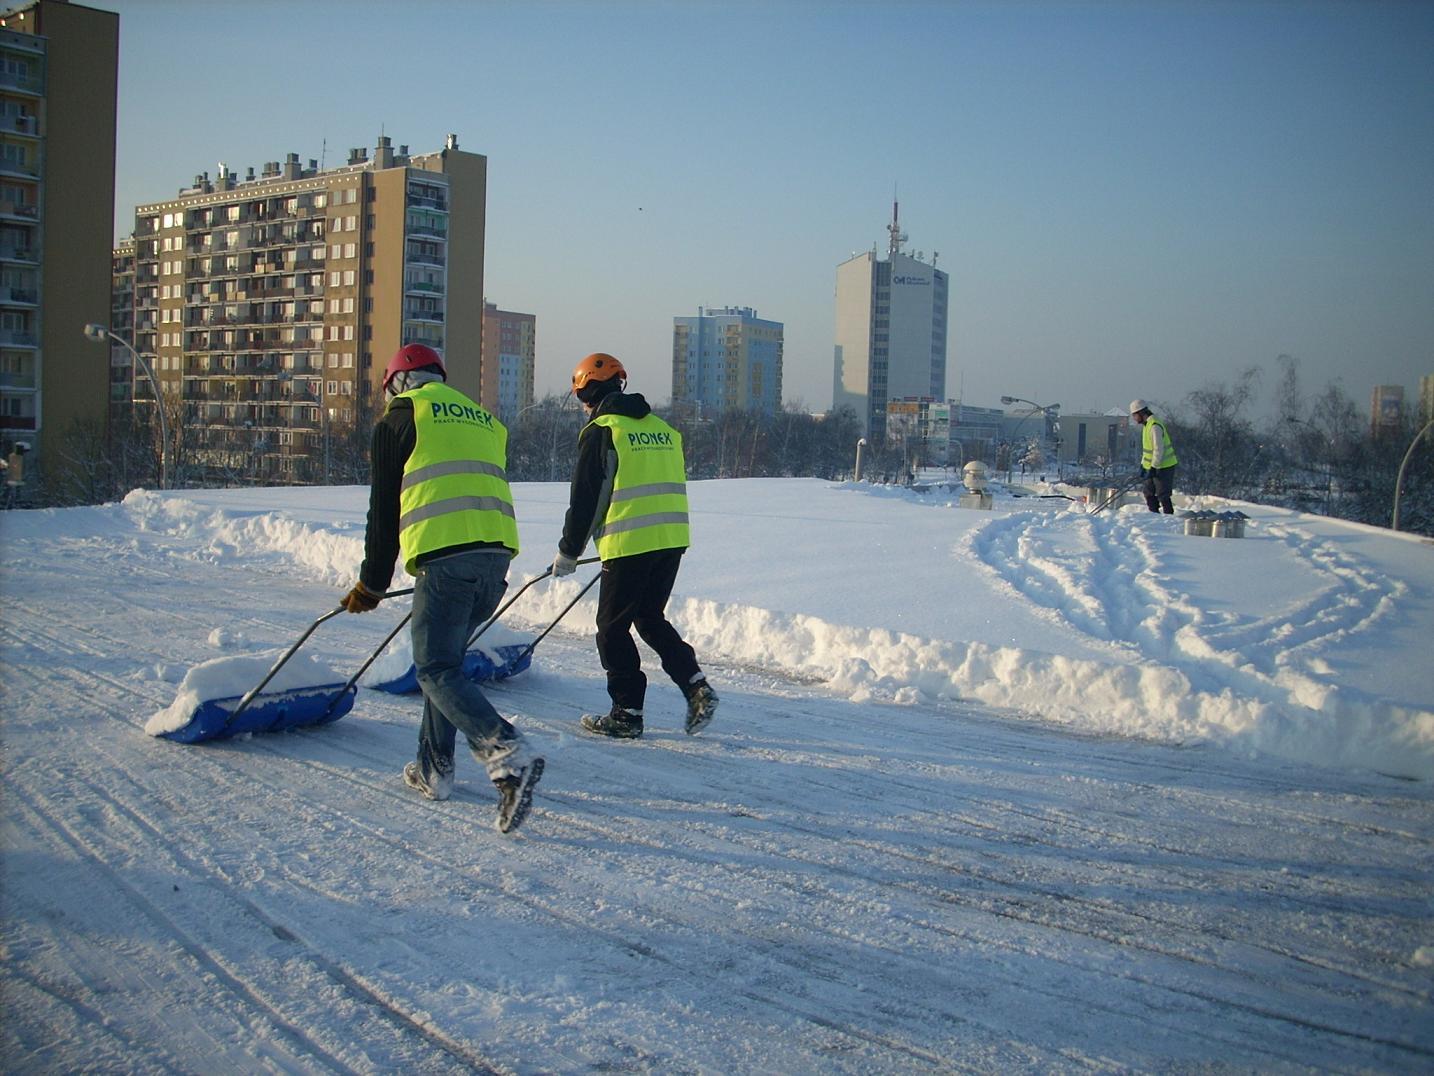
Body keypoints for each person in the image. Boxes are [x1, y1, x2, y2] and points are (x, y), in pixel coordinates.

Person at [343, 342, 543, 833]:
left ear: (397, 381)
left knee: (432, 667)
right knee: (446, 664)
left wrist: (372, 582)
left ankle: (505, 750)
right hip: (494, 559)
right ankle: (435, 769)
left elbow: (384, 508)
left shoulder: (402, 416)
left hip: (446, 559)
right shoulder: (484, 420)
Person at [552, 352, 718, 739]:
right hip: (671, 540)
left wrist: (569, 551)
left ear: (588, 393)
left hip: (630, 542)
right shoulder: (662, 428)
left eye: (581, 397)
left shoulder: (603, 430)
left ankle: (626, 713)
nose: (583, 406)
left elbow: (587, 500)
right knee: (648, 618)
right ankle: (696, 685)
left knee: (611, 629)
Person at [1130, 399, 1178, 514]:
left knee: (1163, 495)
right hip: (1151, 466)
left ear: (1141, 413)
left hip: (1164, 466)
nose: (1134, 419)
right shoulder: (1146, 426)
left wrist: (1154, 467)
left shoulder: (1154, 426)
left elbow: (1158, 449)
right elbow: (1147, 450)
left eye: (1135, 416)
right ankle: (1154, 515)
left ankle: (1168, 517)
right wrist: (1143, 465)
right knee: (1148, 493)